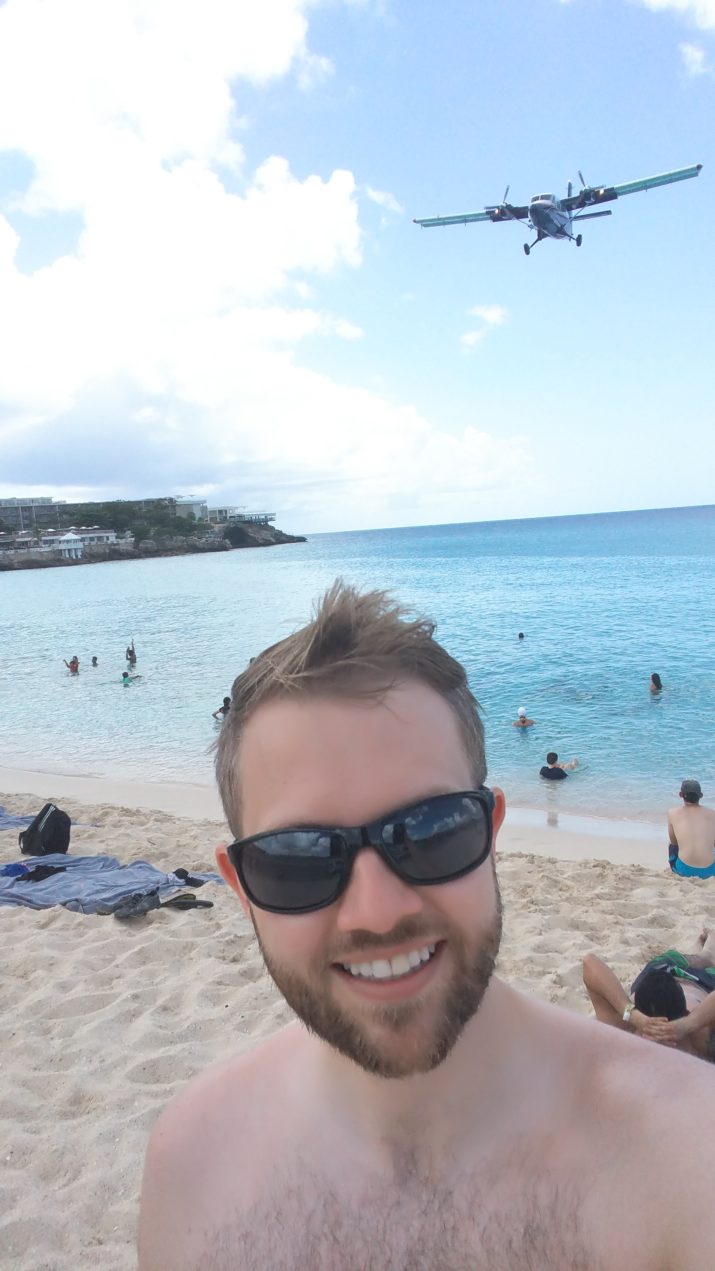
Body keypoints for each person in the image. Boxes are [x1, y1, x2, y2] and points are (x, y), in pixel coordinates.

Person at [138, 582, 715, 1271]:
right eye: (298, 858)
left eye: (432, 831)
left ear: (490, 831)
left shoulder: (685, 1153)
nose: (378, 911)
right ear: (241, 888)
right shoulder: (193, 1168)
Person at [583, 931, 715, 1063]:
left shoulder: (701, 1036)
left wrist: (689, 1023)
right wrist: (631, 1014)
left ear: (686, 1014)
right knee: (700, 959)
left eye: (670, 1038)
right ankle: (704, 950)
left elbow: (589, 962)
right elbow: (589, 962)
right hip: (662, 970)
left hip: (699, 982)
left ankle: (708, 946)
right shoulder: (625, 1025)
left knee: (705, 958)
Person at [667, 779, 715, 879]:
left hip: (684, 870)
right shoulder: (712, 814)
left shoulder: (672, 813)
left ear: (680, 794)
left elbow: (674, 843)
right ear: (700, 796)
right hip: (710, 871)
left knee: (672, 846)